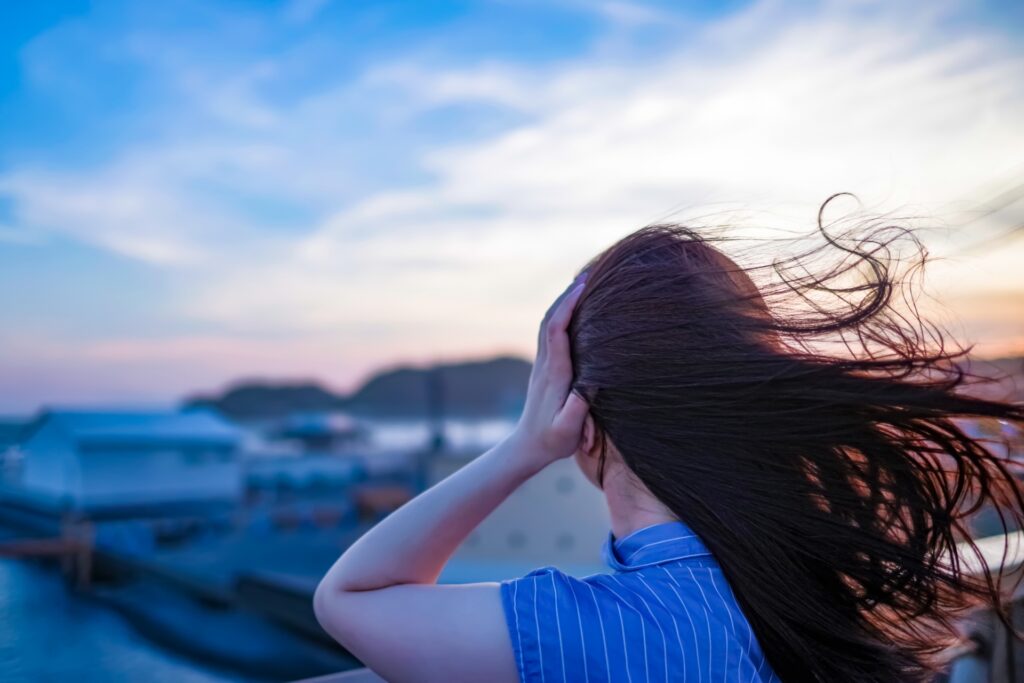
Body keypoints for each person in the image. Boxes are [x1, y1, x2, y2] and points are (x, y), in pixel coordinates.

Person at [314, 198, 1024, 683]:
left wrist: (524, 447)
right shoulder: (808, 582)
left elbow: (351, 596)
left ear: (578, 418)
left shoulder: (599, 628)